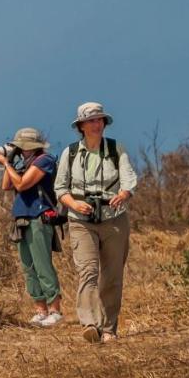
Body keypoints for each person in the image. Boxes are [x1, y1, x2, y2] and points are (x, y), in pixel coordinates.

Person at [54, 102, 137, 343]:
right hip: (81, 220)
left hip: (114, 218)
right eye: (91, 120)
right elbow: (60, 188)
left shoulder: (115, 148)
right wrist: (74, 204)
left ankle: (109, 328)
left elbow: (129, 177)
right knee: (87, 271)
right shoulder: (69, 153)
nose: (97, 124)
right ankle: (90, 324)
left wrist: (124, 194)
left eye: (100, 120)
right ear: (81, 126)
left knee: (112, 275)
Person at [0, 127, 64, 327]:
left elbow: (21, 185)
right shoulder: (21, 162)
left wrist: (6, 162)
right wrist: (10, 162)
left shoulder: (44, 160)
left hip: (39, 218)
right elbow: (7, 186)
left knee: (42, 265)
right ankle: (40, 310)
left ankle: (55, 310)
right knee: (28, 267)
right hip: (21, 219)